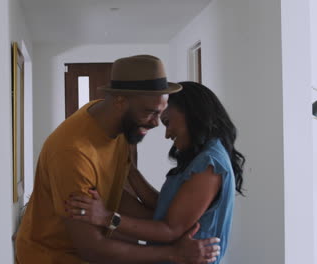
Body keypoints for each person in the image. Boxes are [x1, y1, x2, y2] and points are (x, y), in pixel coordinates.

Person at [15, 57, 221, 264]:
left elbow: (112, 194)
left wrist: (167, 225)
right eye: (150, 112)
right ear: (120, 101)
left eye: (160, 113)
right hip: (50, 257)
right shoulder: (73, 153)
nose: (157, 123)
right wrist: (174, 253)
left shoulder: (117, 125)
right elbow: (92, 249)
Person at [66, 81, 245, 264]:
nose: (167, 134)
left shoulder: (209, 164)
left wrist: (106, 218)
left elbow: (169, 228)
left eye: (167, 122)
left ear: (191, 112)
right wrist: (130, 171)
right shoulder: (202, 157)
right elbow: (163, 207)